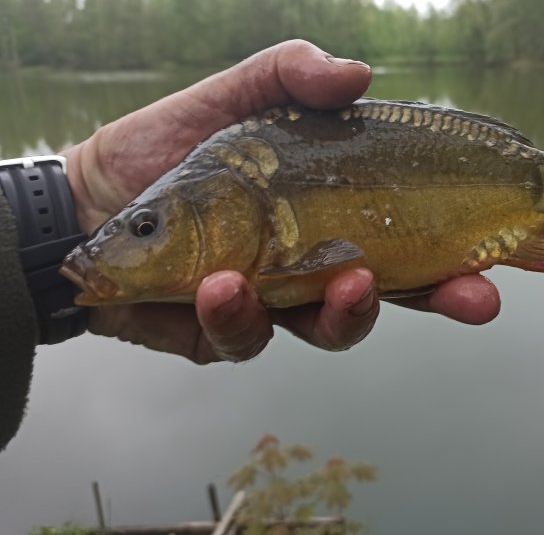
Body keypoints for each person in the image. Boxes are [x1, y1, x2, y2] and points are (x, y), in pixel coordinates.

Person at [0, 40, 501, 453]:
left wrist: (64, 204)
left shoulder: (234, 162)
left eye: (145, 226)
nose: (119, 243)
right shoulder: (226, 169)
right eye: (145, 227)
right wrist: (61, 232)